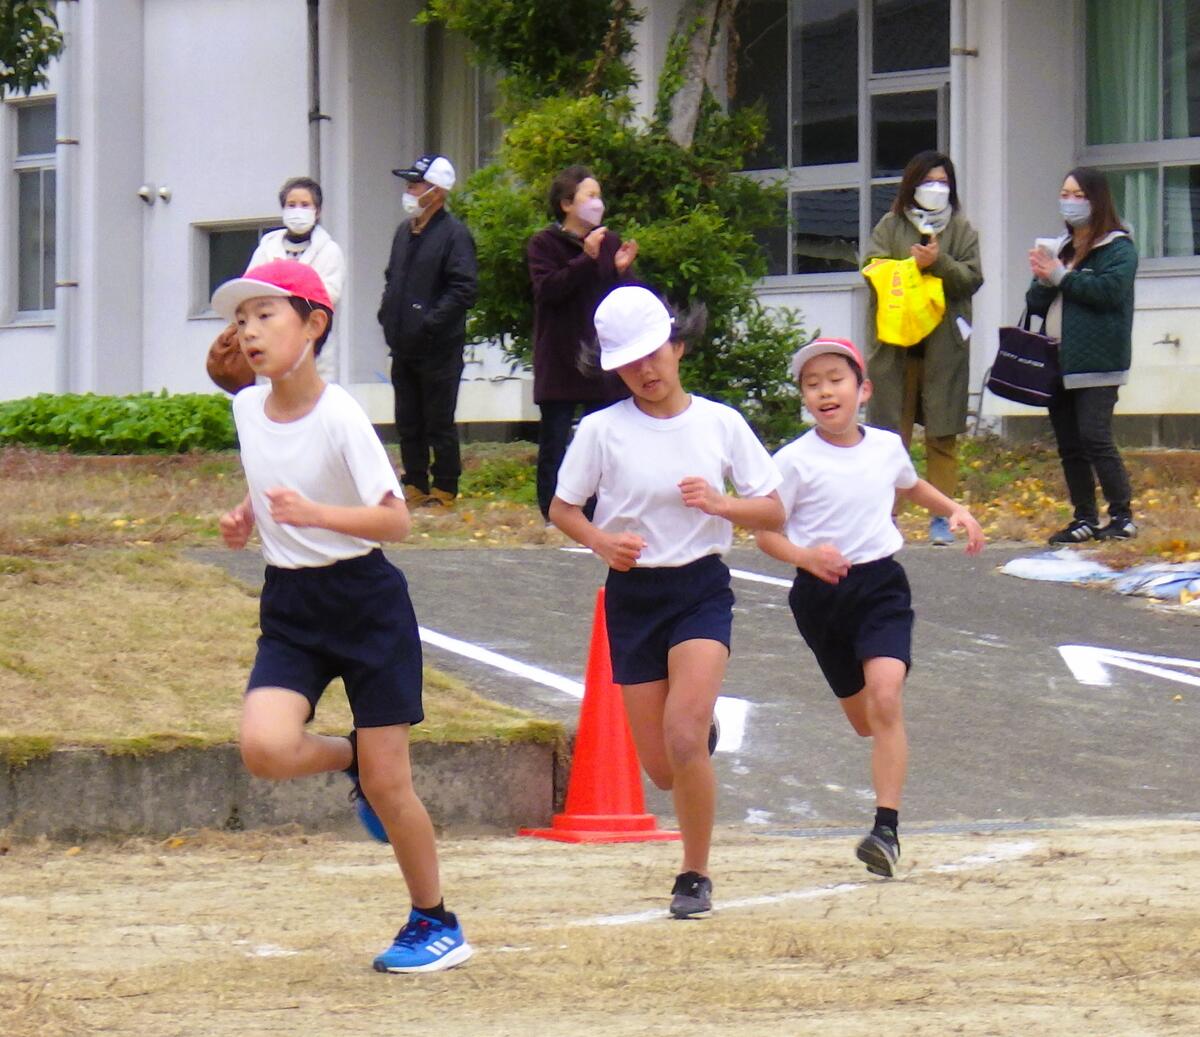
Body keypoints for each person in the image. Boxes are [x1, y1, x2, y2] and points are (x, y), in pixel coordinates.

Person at [214, 259, 472, 974]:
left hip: (366, 606)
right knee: (264, 747)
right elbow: (271, 480)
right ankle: (351, 755)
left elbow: (395, 523)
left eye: (267, 315)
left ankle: (436, 919)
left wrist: (316, 513)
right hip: (291, 604)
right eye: (242, 319)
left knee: (393, 787)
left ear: (314, 324)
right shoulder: (245, 408)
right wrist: (249, 511)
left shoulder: (341, 415)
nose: (250, 331)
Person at [548, 286, 784, 918]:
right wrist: (601, 541)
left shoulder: (720, 422)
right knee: (662, 767)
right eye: (628, 363)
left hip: (700, 588)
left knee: (682, 733)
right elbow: (563, 507)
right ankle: (692, 732)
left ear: (677, 346)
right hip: (634, 596)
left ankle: (695, 873)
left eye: (654, 354)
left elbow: (772, 507)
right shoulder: (601, 430)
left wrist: (721, 503)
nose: (645, 372)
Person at [755, 337, 985, 879]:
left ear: (863, 390)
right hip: (820, 598)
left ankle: (886, 829)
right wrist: (804, 556)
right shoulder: (791, 462)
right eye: (812, 385)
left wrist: (956, 510)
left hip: (882, 586)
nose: (824, 391)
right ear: (805, 400)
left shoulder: (885, 447)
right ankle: (883, 799)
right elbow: (765, 535)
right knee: (864, 721)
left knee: (886, 700)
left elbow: (913, 484)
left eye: (835, 379)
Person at [863, 151, 984, 545]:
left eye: (943, 183)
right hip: (897, 347)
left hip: (942, 347)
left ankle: (943, 517)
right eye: (928, 182)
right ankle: (888, 515)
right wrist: (911, 268)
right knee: (889, 437)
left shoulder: (962, 228)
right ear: (911, 186)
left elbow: (970, 278)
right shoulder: (891, 225)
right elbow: (871, 268)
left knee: (941, 433)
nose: (936, 190)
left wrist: (939, 262)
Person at [1027, 166, 1138, 544]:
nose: (1070, 202)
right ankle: (1084, 518)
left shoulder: (1118, 248)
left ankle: (1122, 515)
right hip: (1057, 360)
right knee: (1069, 444)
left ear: (1097, 200)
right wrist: (1043, 276)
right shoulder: (1060, 247)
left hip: (1099, 361)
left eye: (1079, 195)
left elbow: (1108, 291)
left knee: (1095, 436)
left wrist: (1060, 276)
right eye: (1066, 194)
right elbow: (1035, 302)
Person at [528, 166, 637, 522]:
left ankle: (596, 507)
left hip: (599, 356)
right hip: (559, 355)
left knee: (602, 436)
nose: (597, 203)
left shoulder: (609, 240)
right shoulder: (543, 243)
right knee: (556, 440)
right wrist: (585, 258)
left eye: (598, 195)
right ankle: (552, 509)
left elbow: (622, 298)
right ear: (565, 204)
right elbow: (550, 290)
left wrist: (620, 270)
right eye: (588, 196)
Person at [378, 154, 478, 508]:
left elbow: (463, 289)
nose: (409, 191)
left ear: (437, 191)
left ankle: (445, 487)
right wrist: (387, 314)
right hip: (403, 344)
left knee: (439, 420)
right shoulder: (404, 232)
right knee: (408, 419)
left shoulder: (454, 235)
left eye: (415, 184)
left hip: (439, 348)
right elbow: (393, 277)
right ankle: (415, 482)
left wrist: (431, 322)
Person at [248, 176, 346, 383]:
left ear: (317, 211)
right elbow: (249, 290)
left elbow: (329, 294)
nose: (297, 211)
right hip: (270, 342)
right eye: (291, 205)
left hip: (315, 348)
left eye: (305, 205)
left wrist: (282, 291)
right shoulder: (266, 249)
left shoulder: (329, 251)